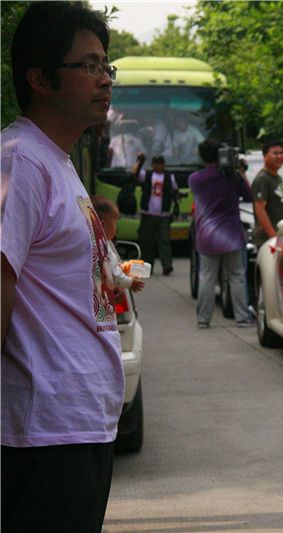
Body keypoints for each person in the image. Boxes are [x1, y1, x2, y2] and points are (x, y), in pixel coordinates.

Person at [1, 4, 124, 531]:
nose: (104, 80)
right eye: (88, 65)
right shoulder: (19, 160)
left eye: (106, 67)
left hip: (78, 423)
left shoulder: (57, 160)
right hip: (42, 432)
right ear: (41, 79)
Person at [189, 138, 254, 328]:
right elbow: (249, 195)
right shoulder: (231, 178)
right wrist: (240, 172)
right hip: (232, 236)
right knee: (237, 276)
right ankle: (242, 317)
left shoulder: (195, 179)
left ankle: (203, 319)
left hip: (207, 237)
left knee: (206, 278)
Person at [133, 153, 180, 275]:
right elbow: (135, 174)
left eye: (161, 163)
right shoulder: (147, 175)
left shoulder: (170, 177)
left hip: (163, 215)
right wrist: (140, 160)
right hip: (148, 213)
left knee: (164, 241)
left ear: (164, 164)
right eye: (156, 163)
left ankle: (167, 265)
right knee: (146, 241)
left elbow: (175, 190)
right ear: (153, 164)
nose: (159, 165)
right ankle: (147, 267)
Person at [91, 195, 146, 293]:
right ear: (102, 225)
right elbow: (112, 272)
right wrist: (129, 282)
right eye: (115, 223)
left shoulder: (101, 242)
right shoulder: (102, 245)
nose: (117, 227)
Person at [251, 140, 283, 248]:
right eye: (275, 153)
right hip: (268, 240)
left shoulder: (277, 178)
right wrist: (273, 237)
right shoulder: (262, 179)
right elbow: (260, 209)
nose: (279, 156)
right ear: (265, 156)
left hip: (280, 236)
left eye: (281, 153)